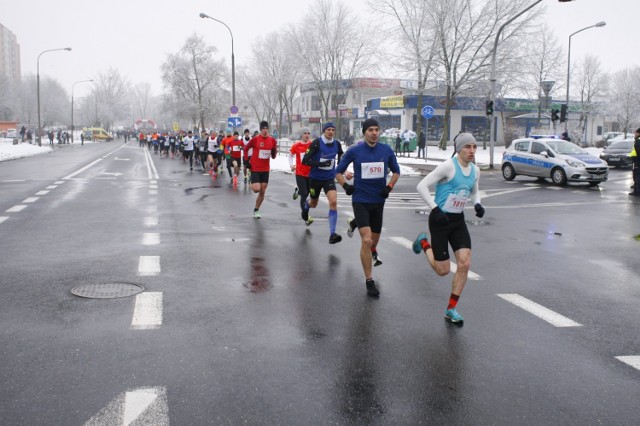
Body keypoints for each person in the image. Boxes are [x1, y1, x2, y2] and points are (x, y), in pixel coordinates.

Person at [411, 132, 485, 325]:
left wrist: (477, 204)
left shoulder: (475, 171)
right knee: (442, 270)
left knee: (465, 263)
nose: (472, 151)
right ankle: (424, 242)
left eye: (474, 147)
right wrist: (435, 209)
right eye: (468, 147)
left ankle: (451, 308)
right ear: (459, 149)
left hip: (458, 221)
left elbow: (475, 191)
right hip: (440, 221)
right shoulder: (448, 167)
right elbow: (422, 186)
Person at [336, 118, 400, 297]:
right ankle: (369, 281)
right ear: (364, 132)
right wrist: (346, 186)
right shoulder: (355, 151)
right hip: (360, 200)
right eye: (370, 130)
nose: (374, 133)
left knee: (374, 241)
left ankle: (355, 222)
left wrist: (389, 188)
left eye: (376, 130)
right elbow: (338, 172)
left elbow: (396, 171)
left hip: (378, 202)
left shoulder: (386, 150)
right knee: (367, 240)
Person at [302, 122, 344, 244]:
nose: (331, 132)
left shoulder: (336, 143)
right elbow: (305, 161)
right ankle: (306, 207)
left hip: (329, 178)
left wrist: (340, 165)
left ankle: (332, 234)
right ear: (324, 131)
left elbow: (341, 154)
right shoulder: (316, 143)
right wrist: (320, 164)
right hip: (315, 178)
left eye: (333, 129)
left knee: (333, 201)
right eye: (328, 130)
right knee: (314, 203)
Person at [244, 121, 278, 218]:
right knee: (256, 189)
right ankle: (252, 180)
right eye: (263, 128)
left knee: (262, 191)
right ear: (260, 129)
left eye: (266, 128)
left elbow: (273, 156)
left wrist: (274, 151)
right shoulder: (255, 139)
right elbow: (246, 149)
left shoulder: (272, 140)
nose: (265, 130)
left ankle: (256, 209)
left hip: (265, 169)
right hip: (255, 167)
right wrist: (246, 162)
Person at [289, 127, 314, 226]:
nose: (307, 135)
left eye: (308, 133)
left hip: (311, 173)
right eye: (305, 133)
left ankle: (297, 191)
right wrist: (291, 165)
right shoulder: (297, 145)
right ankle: (306, 217)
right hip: (300, 173)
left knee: (307, 193)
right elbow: (290, 155)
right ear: (301, 135)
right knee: (304, 194)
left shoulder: (312, 145)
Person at [629, 128, 640, 196]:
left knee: (637, 176)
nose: (635, 134)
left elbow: (638, 152)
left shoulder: (638, 141)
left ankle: (637, 191)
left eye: (636, 133)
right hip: (636, 161)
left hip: (637, 162)